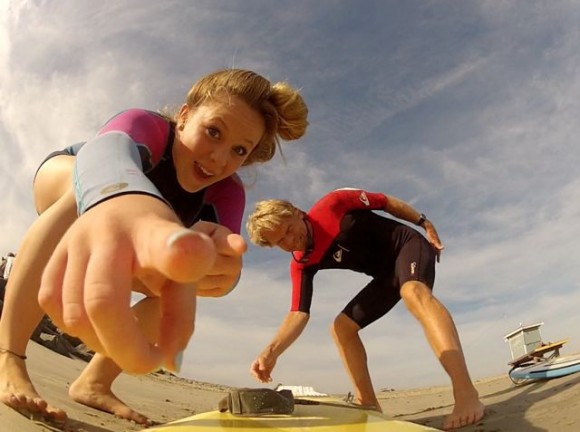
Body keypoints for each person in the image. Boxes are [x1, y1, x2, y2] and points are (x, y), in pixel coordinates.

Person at [0, 68, 309, 424]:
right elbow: (105, 155)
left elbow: (218, 260)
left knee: (179, 280)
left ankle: (95, 383)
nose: (219, 159)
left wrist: (220, 273)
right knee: (80, 198)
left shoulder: (228, 191)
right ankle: (9, 355)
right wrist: (122, 197)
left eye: (239, 150)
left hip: (131, 243)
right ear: (184, 115)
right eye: (213, 132)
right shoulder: (146, 125)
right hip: (68, 186)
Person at [245, 188, 485, 430]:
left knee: (413, 292)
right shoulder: (301, 263)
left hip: (409, 246)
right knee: (341, 328)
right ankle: (370, 406)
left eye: (288, 230)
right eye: (280, 242)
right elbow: (298, 313)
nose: (290, 241)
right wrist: (271, 352)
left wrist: (424, 223)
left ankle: (466, 393)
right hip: (386, 277)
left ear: (297, 213)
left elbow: (387, 202)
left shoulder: (334, 204)